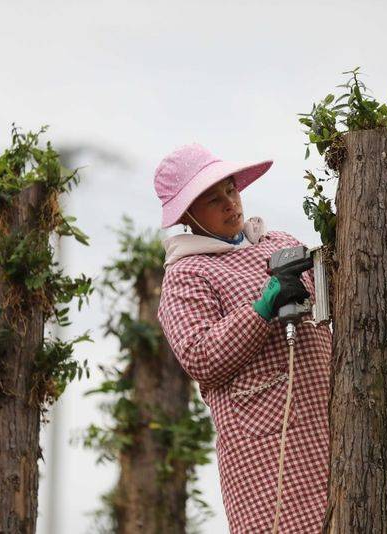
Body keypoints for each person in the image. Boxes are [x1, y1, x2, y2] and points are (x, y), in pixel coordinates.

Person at [154, 142, 332, 533]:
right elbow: (200, 356)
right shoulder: (188, 274)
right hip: (266, 453)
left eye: (230, 190)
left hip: (332, 426)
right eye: (213, 200)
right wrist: (262, 307)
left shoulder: (280, 243)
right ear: (187, 214)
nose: (230, 204)